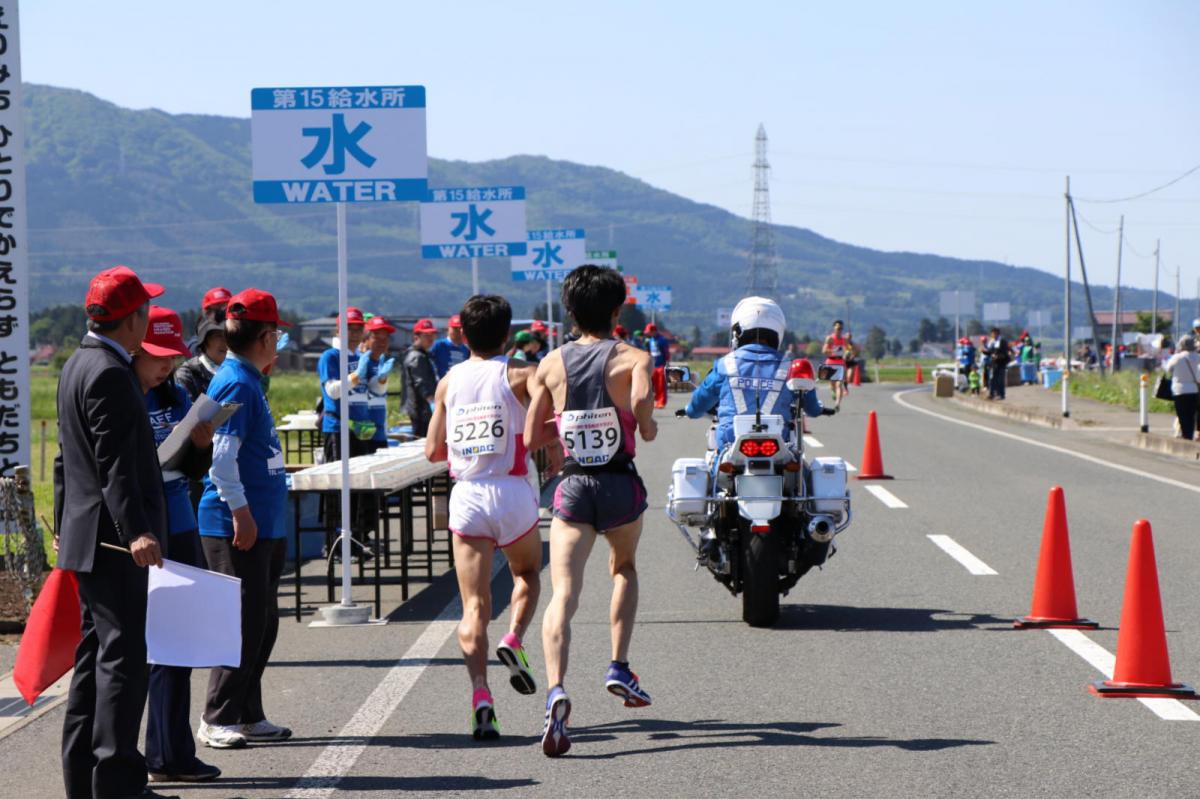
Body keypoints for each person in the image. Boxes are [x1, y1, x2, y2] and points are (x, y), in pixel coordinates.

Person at [525, 265, 657, 758]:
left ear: (570, 311)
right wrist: (646, 426)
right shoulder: (634, 357)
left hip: (574, 486)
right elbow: (641, 404)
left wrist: (564, 428)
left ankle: (555, 690)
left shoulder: (549, 364)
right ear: (617, 310)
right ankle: (618, 666)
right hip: (620, 483)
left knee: (563, 593)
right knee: (623, 569)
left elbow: (530, 436)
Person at [55, 265, 169, 799]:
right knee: (122, 661)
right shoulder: (110, 372)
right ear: (132, 320)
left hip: (86, 535)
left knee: (93, 659)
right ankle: (119, 784)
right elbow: (115, 465)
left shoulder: (76, 363)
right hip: (114, 541)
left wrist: (63, 524)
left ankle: (83, 779)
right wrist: (137, 531)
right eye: (145, 309)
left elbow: (67, 460)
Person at [425, 294, 552, 740]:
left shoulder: (447, 383)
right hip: (512, 489)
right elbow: (546, 419)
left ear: (463, 334)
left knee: (474, 606)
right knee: (527, 575)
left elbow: (432, 451)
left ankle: (481, 696)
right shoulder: (521, 373)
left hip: (468, 495)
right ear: (507, 333)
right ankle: (514, 638)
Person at [196, 288, 292, 750]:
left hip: (263, 519)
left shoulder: (248, 378)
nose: (279, 344)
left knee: (261, 622)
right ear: (266, 337)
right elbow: (221, 459)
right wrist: (240, 511)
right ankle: (216, 716)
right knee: (240, 622)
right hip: (236, 521)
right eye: (277, 336)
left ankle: (248, 712)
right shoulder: (236, 381)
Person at [133, 306, 221, 784]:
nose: (166, 366)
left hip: (179, 514)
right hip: (142, 522)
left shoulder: (176, 392)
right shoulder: (121, 391)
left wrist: (200, 445)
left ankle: (173, 752)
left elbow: (190, 468)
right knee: (151, 644)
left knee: (181, 640)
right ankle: (156, 755)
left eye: (172, 356)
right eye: (156, 356)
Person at [317, 307, 376, 554]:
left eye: (358, 328)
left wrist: (379, 378)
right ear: (338, 330)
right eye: (349, 328)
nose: (354, 333)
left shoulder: (360, 355)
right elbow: (332, 390)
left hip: (361, 428)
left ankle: (357, 537)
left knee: (359, 486)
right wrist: (355, 376)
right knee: (339, 487)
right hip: (338, 427)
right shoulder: (330, 356)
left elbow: (372, 389)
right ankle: (336, 541)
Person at [361, 315, 397, 453]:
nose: (382, 342)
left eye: (385, 338)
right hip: (363, 432)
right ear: (366, 340)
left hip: (380, 431)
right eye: (377, 337)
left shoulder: (382, 363)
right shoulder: (360, 363)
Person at [403, 318, 439, 437]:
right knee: (422, 441)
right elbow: (421, 383)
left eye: (432, 335)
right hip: (420, 410)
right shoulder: (417, 356)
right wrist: (432, 403)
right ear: (416, 337)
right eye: (426, 335)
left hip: (422, 409)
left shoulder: (423, 354)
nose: (430, 338)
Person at [1163, 335, 1199, 440]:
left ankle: (1185, 435)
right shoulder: (1198, 357)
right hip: (1194, 389)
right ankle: (1190, 434)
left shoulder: (1177, 357)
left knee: (1182, 414)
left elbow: (1167, 368)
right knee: (1191, 414)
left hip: (1179, 390)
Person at [821, 319, 851, 408]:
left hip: (841, 363)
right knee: (833, 384)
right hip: (831, 362)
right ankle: (833, 391)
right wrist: (834, 350)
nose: (839, 330)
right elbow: (824, 351)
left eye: (841, 329)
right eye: (838, 328)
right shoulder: (830, 338)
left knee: (839, 384)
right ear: (834, 328)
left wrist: (847, 353)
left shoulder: (844, 339)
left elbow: (847, 349)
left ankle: (837, 403)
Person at [430, 314, 470, 379]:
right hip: (442, 382)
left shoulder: (466, 350)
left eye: (460, 328)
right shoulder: (438, 345)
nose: (458, 332)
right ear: (448, 329)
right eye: (455, 328)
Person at [644, 323, 670, 409]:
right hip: (653, 365)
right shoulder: (650, 340)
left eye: (649, 332)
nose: (648, 333)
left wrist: (667, 362)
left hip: (661, 365)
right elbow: (649, 352)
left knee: (661, 384)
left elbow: (666, 353)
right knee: (654, 385)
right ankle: (656, 401)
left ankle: (661, 402)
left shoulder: (662, 340)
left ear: (654, 331)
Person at [984, 327, 1011, 400]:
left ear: (997, 334)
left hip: (1001, 363)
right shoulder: (992, 342)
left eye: (993, 334)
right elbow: (990, 352)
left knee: (1000, 379)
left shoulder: (1002, 341)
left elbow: (1005, 353)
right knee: (992, 379)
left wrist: (998, 356)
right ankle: (992, 394)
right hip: (994, 363)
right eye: (992, 334)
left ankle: (1001, 394)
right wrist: (984, 351)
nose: (992, 335)